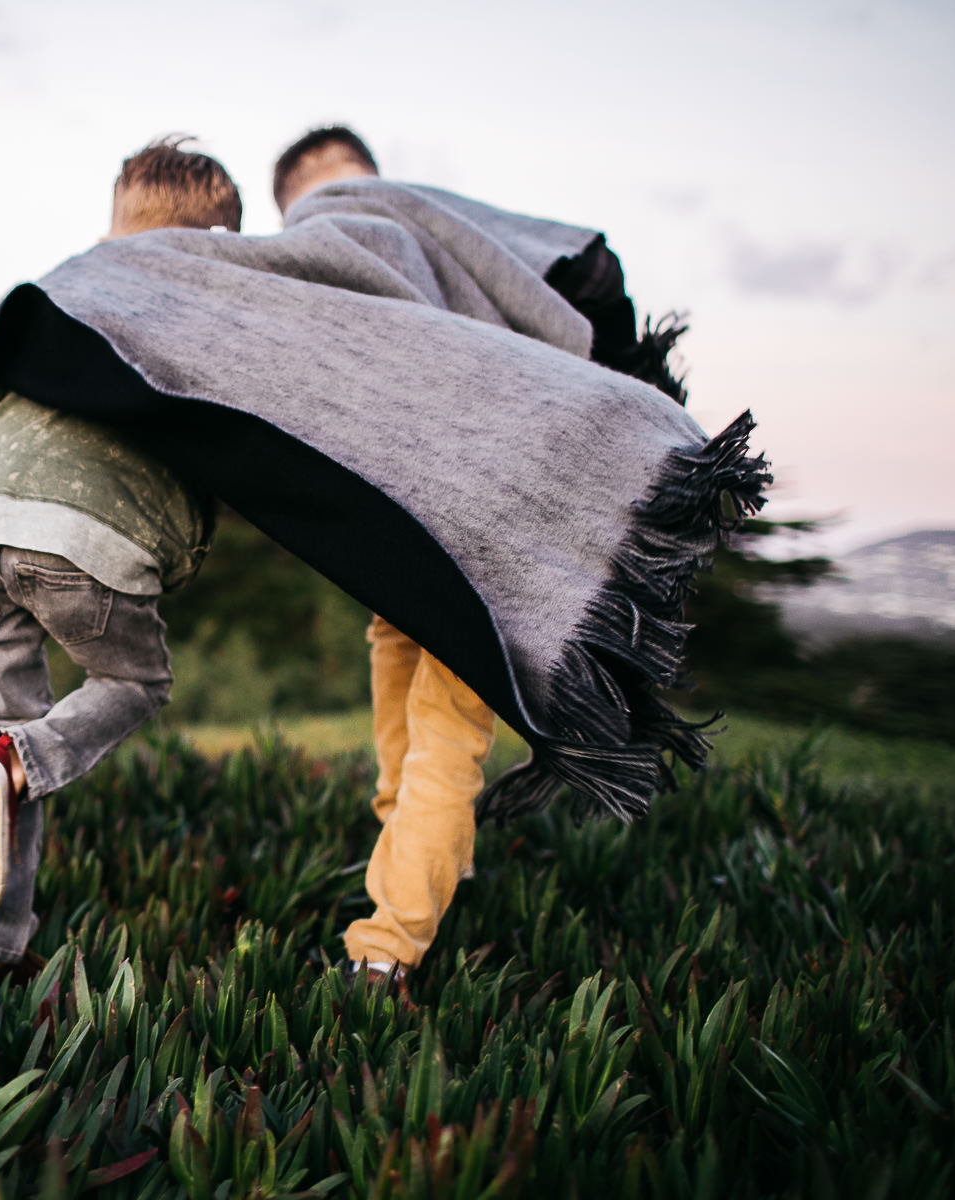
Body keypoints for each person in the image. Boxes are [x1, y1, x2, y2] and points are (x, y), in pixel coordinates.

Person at [271, 125, 680, 978]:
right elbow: (589, 276)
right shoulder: (452, 233)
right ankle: (423, 862)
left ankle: (387, 949)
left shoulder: (318, 248)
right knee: (444, 730)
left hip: (397, 524)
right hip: (489, 515)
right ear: (363, 173)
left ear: (292, 199)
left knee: (422, 718)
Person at [0, 137, 233, 968]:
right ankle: (16, 760)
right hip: (84, 537)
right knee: (134, 681)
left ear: (115, 220)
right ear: (218, 243)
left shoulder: (60, 286)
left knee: (8, 723)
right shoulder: (214, 313)